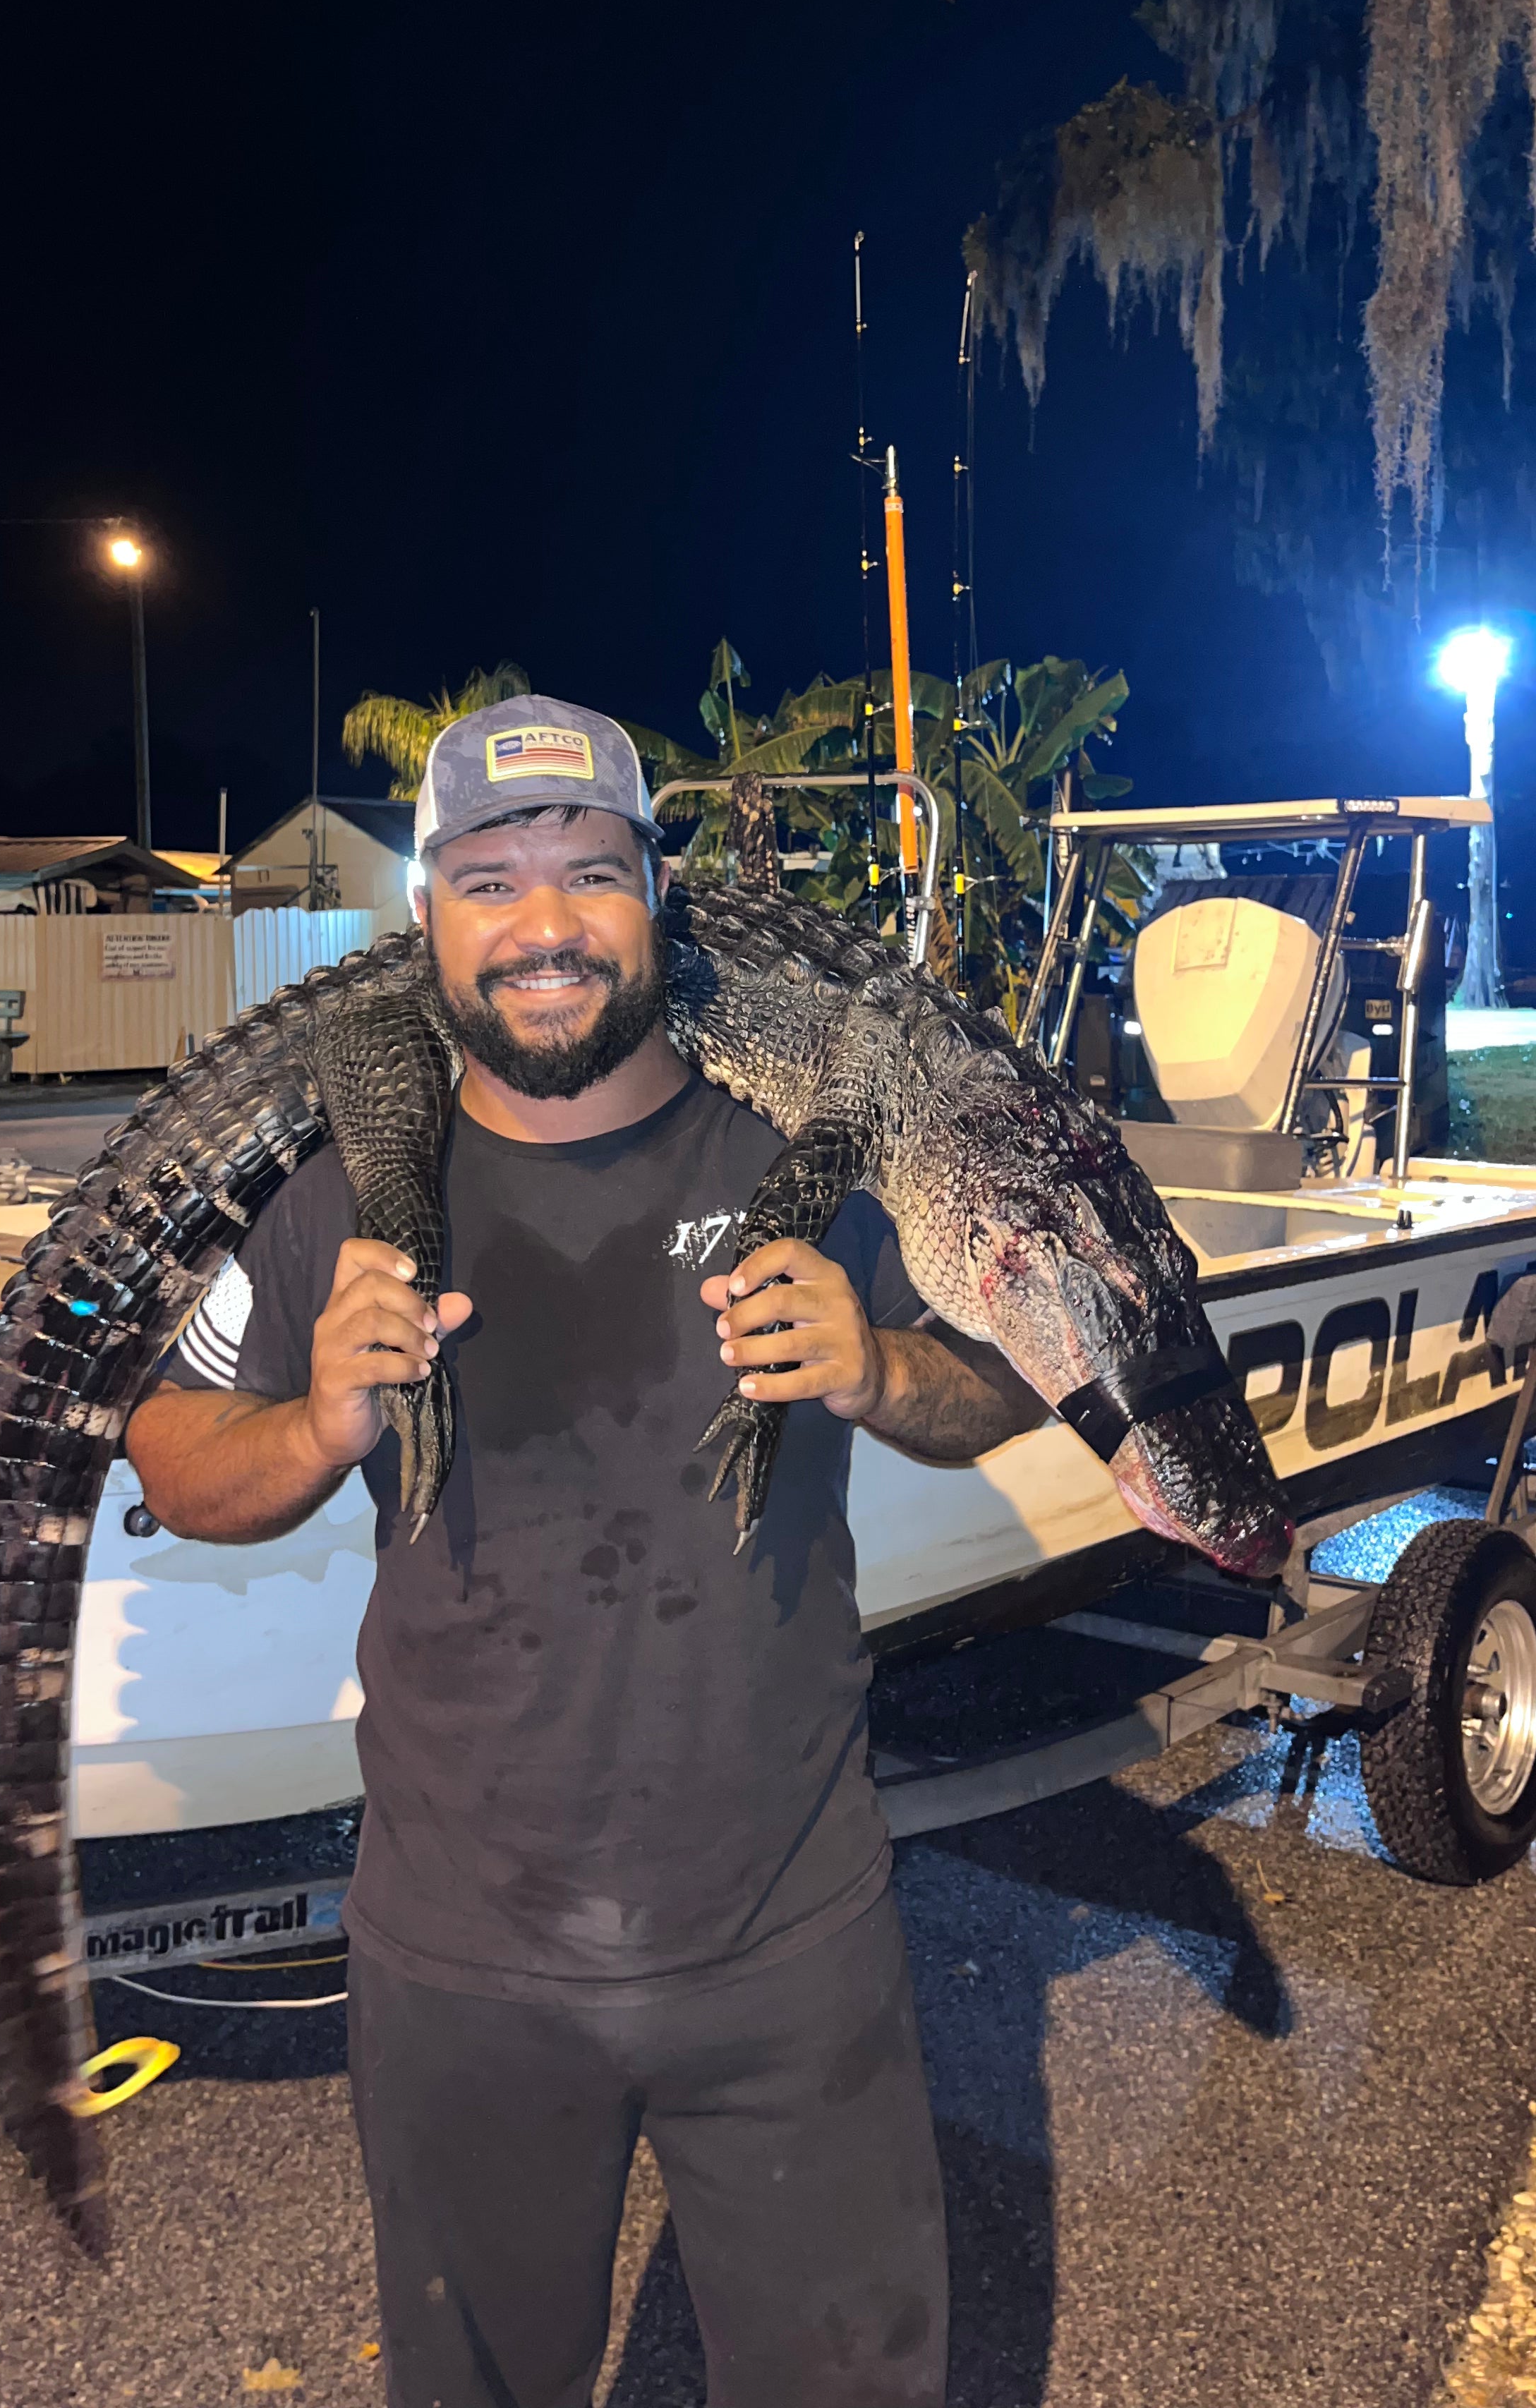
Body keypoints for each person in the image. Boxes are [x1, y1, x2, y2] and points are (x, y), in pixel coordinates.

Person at [127, 694, 1045, 2408]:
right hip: (460, 1966)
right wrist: (318, 1424)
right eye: (490, 882)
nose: (542, 925)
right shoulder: (336, 1191)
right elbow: (174, 1452)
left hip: (790, 1946)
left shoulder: (807, 1150)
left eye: (590, 875)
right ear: (429, 918)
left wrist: (876, 1367)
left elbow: (1003, 1379)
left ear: (657, 895)